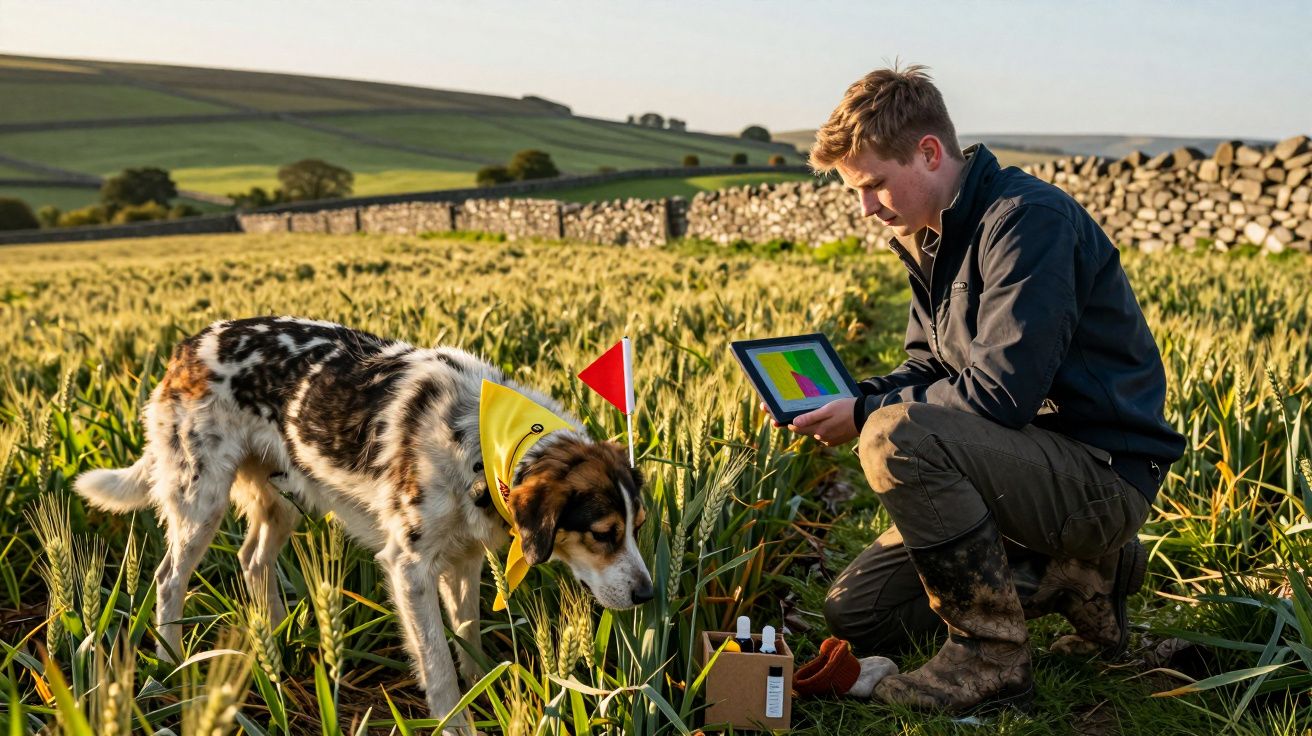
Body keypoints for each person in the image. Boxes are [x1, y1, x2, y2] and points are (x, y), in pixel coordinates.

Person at [771, 64, 1186, 713]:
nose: (867, 208)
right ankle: (1085, 575)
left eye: (875, 184)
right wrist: (849, 398)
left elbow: (999, 396)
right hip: (1018, 470)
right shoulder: (930, 237)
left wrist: (869, 414)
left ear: (930, 152)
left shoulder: (1028, 221)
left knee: (894, 435)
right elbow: (929, 369)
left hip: (1097, 476)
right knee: (859, 615)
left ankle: (989, 660)